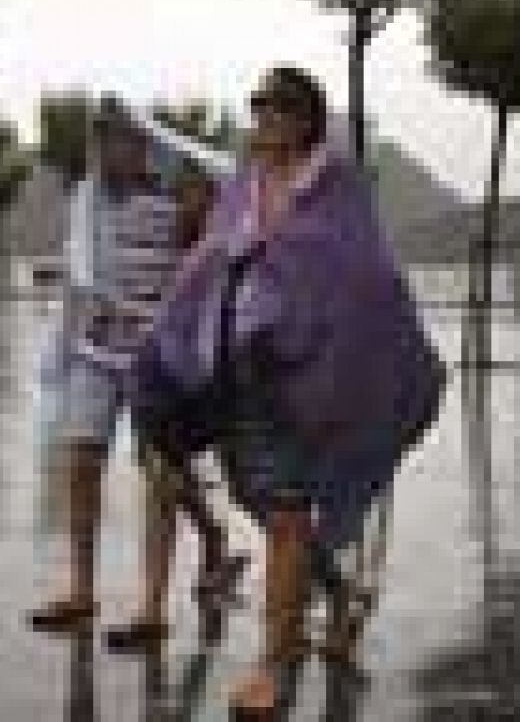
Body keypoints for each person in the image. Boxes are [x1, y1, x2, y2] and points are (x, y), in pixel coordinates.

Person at [139, 67, 445, 717]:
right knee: (267, 507)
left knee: (284, 515)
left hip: (307, 378)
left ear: (306, 118)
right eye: (257, 106)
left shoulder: (335, 185)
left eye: (276, 107)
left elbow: (369, 273)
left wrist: (311, 303)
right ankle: (337, 596)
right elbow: (212, 256)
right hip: (237, 372)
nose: (263, 118)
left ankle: (274, 665)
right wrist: (179, 319)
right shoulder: (244, 186)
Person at [28, 98, 243, 645]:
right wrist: (69, 342)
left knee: (161, 480)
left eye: (120, 139)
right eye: (101, 141)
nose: (108, 151)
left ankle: (151, 608)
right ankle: (82, 591)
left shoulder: (177, 199)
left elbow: (222, 232)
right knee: (83, 466)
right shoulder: (88, 201)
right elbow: (80, 274)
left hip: (157, 361)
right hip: (96, 355)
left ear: (143, 144)